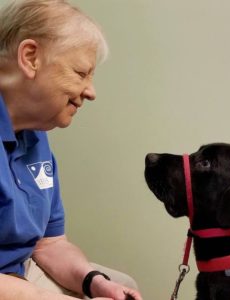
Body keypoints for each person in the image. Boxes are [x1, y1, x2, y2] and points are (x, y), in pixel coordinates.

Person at [0, 0, 143, 299]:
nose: (91, 92)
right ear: (30, 57)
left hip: (18, 272)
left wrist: (94, 281)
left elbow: (49, 244)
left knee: (122, 283)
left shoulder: (36, 136)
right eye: (81, 73)